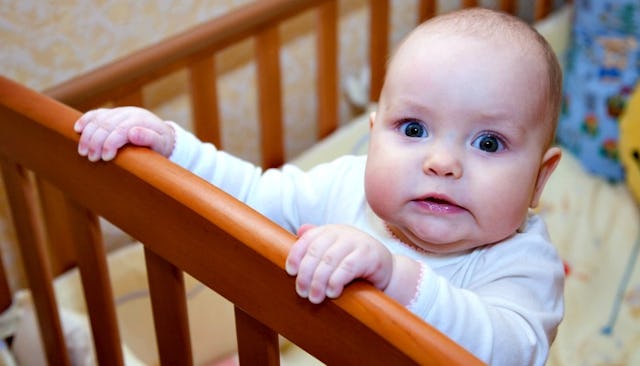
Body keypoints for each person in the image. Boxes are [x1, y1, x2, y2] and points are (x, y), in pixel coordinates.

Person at [75, 7, 564, 365]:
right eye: (413, 130)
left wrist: (396, 278)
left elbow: (507, 353)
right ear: (373, 138)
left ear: (539, 180)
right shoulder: (344, 186)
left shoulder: (522, 266)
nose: (442, 162)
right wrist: (171, 148)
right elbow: (249, 197)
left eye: (489, 142)